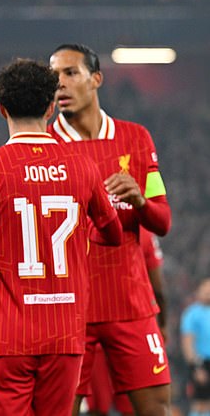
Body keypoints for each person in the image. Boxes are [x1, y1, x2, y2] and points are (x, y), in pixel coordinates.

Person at [0, 58, 122, 415]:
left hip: (8, 335)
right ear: (51, 106)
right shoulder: (83, 167)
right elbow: (113, 232)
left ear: (1, 108)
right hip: (67, 333)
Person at [48, 43, 172, 415]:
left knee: (156, 410)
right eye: (54, 78)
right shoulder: (46, 145)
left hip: (129, 305)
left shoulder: (136, 138)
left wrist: (140, 201)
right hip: (70, 309)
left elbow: (162, 221)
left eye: (70, 73)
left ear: (96, 78)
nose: (61, 85)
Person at [86, 229, 167, 416]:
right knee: (143, 405)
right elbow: (158, 287)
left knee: (95, 409)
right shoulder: (141, 229)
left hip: (87, 327)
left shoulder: (79, 220)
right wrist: (162, 325)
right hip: (131, 327)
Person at [180, 278, 210, 416]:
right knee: (201, 403)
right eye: (205, 289)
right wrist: (196, 367)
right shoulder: (192, 313)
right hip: (202, 362)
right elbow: (187, 342)